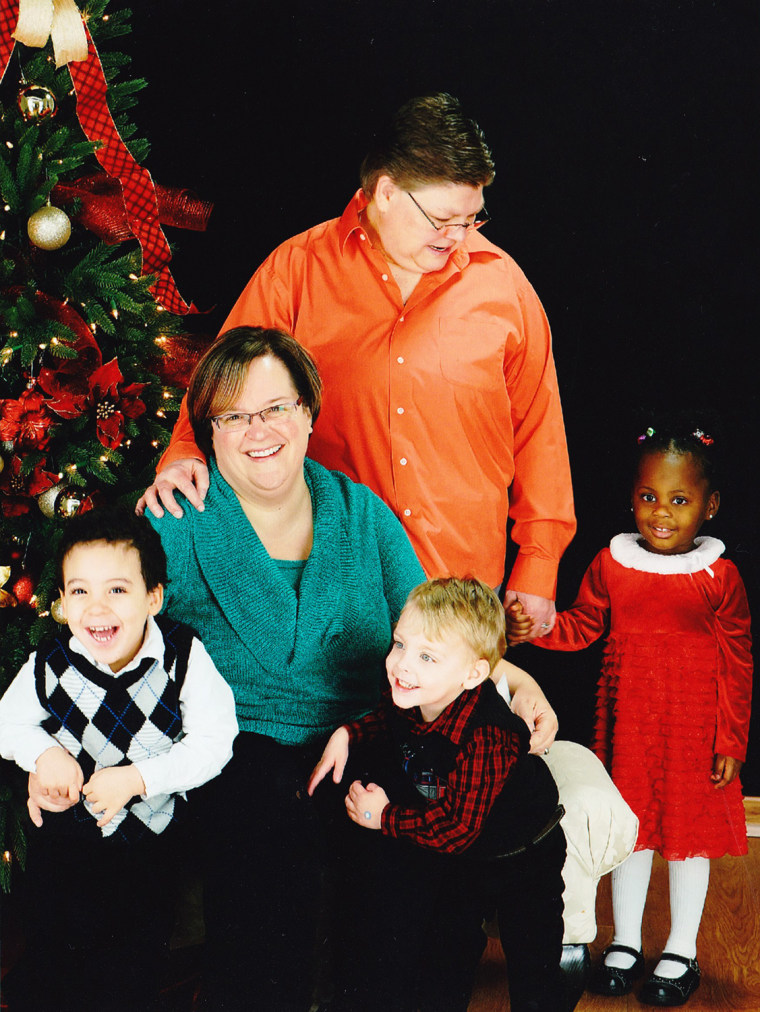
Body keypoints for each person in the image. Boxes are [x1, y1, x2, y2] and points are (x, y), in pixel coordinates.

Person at [28, 327, 558, 1010]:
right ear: (209, 433)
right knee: (269, 824)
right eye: (235, 415)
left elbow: (444, 632)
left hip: (363, 731)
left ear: (309, 413)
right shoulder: (175, 522)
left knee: (408, 846)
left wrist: (518, 682)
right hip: (231, 745)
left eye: (277, 408)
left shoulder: (362, 516)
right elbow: (105, 653)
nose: (259, 430)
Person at [138, 91, 576, 637]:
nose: (458, 238)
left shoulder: (504, 284)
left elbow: (540, 432)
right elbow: (223, 382)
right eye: (442, 219)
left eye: (471, 219)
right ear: (387, 192)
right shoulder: (296, 270)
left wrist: (539, 562)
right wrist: (182, 452)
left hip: (462, 593)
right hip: (328, 589)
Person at [507, 417, 753, 1007]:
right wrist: (535, 627)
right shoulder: (612, 565)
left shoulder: (720, 577)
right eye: (648, 497)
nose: (661, 512)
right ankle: (626, 943)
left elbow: (739, 660)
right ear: (632, 499)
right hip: (631, 726)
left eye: (679, 499)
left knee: (688, 841)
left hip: (695, 731)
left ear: (709, 506)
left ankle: (682, 950)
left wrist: (731, 740)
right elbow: (581, 626)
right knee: (633, 832)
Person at [0, 508, 238, 1012]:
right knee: (53, 953)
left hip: (146, 848)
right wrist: (44, 755)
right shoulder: (49, 664)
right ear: (62, 602)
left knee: (131, 966)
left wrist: (138, 778)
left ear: (154, 596)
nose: (97, 609)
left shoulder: (182, 656)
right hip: (64, 842)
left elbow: (216, 739)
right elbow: (7, 721)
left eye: (117, 590)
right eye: (80, 592)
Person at [309, 578, 567, 1012]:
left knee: (533, 958)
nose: (403, 665)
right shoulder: (416, 692)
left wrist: (382, 816)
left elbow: (455, 829)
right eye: (400, 645)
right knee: (446, 954)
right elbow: (385, 720)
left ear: (473, 674)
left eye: (427, 656)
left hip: (523, 851)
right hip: (469, 856)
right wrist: (347, 733)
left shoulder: (487, 735)